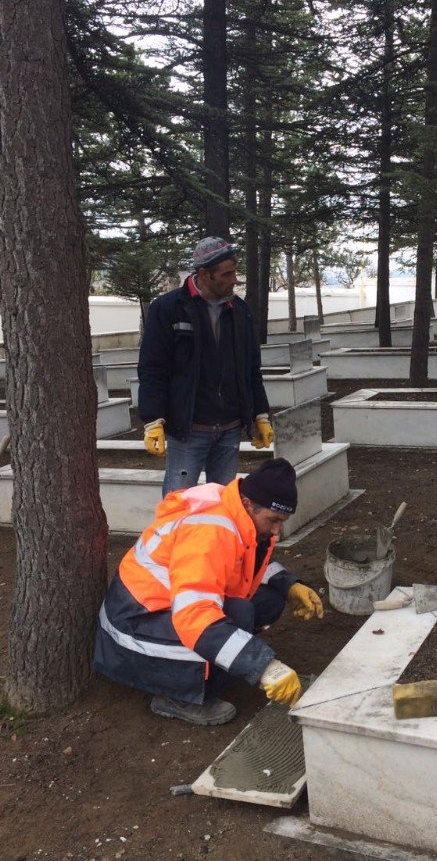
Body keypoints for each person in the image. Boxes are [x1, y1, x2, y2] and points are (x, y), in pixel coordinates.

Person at [93, 458, 324, 725]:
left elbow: (246, 561)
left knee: (269, 601)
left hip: (163, 609)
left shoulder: (238, 513)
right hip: (133, 627)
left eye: (282, 521)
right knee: (239, 613)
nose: (277, 530)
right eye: (273, 520)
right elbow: (194, 617)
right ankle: (178, 696)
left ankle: (214, 665)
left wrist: (289, 584)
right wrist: (261, 665)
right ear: (249, 504)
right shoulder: (208, 532)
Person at [138, 236, 274, 497]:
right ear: (203, 274)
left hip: (230, 429)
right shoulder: (168, 309)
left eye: (235, 271)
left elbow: (251, 369)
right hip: (189, 431)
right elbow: (153, 368)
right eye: (227, 274)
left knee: (221, 505)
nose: (234, 279)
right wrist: (153, 419)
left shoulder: (240, 311)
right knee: (178, 507)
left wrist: (261, 415)